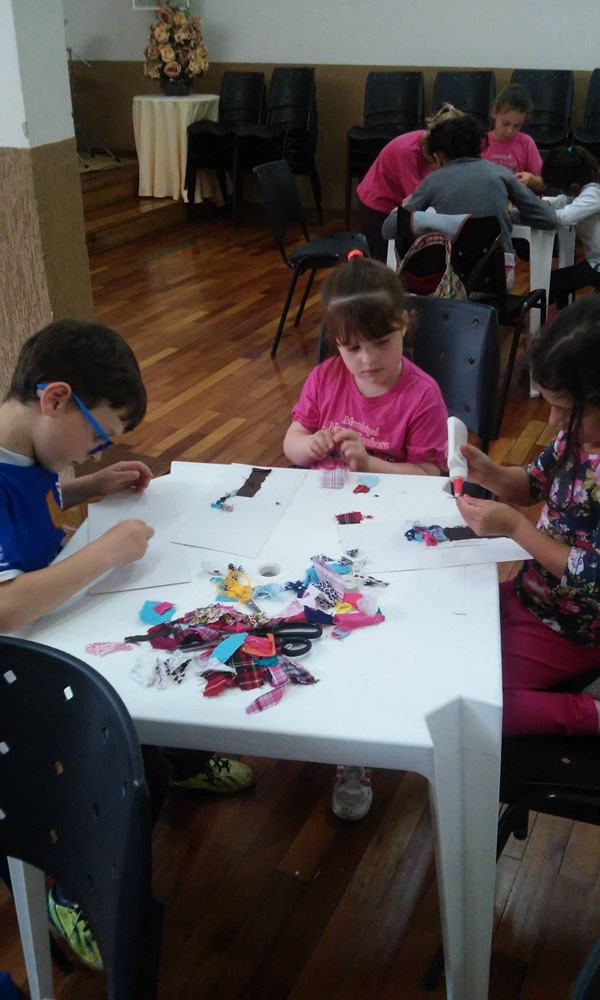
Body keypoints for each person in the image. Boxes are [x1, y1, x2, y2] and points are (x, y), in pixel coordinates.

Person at [0, 320, 253, 968]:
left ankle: (179, 754)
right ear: (56, 398)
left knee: (171, 650)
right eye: (97, 436)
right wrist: (104, 554)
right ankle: (70, 891)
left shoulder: (27, 454)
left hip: (51, 630)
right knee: (130, 762)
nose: (93, 452)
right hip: (16, 670)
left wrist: (90, 487)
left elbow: (36, 498)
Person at [284, 254, 448, 819]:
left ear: (405, 325)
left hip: (388, 535)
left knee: (368, 630)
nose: (367, 360)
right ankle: (307, 700)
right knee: (303, 613)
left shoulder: (422, 394)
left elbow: (432, 476)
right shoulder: (325, 378)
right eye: (351, 348)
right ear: (335, 343)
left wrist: (373, 464)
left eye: (381, 342)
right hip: (320, 523)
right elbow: (293, 439)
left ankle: (356, 744)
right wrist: (306, 447)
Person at [455, 296, 600, 737]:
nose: (553, 420)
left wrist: (516, 528)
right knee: (445, 637)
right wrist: (490, 473)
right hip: (532, 595)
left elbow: (592, 577)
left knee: (480, 704)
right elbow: (533, 483)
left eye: (565, 409)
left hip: (577, 628)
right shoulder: (576, 438)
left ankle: (591, 713)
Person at [404, 114, 557, 285]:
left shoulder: (432, 181)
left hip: (451, 279)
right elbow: (549, 219)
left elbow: (389, 229)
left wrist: (423, 218)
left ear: (438, 154)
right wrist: (510, 215)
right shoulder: (501, 174)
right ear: (479, 146)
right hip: (498, 278)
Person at [355, 104, 463, 262]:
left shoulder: (437, 147)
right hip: (377, 207)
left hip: (399, 206)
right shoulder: (406, 152)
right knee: (384, 263)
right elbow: (417, 197)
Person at [541, 145, 600, 308]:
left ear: (573, 186)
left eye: (560, 189)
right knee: (559, 282)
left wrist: (535, 211)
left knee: (551, 282)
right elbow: (558, 202)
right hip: (595, 260)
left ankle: (551, 314)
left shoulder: (594, 193)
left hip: (597, 264)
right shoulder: (581, 190)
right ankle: (562, 307)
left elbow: (563, 217)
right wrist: (536, 202)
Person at [482, 84, 544, 192]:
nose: (510, 131)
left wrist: (530, 179)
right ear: (494, 112)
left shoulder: (526, 143)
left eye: (517, 126)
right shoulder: (481, 141)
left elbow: (542, 184)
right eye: (505, 123)